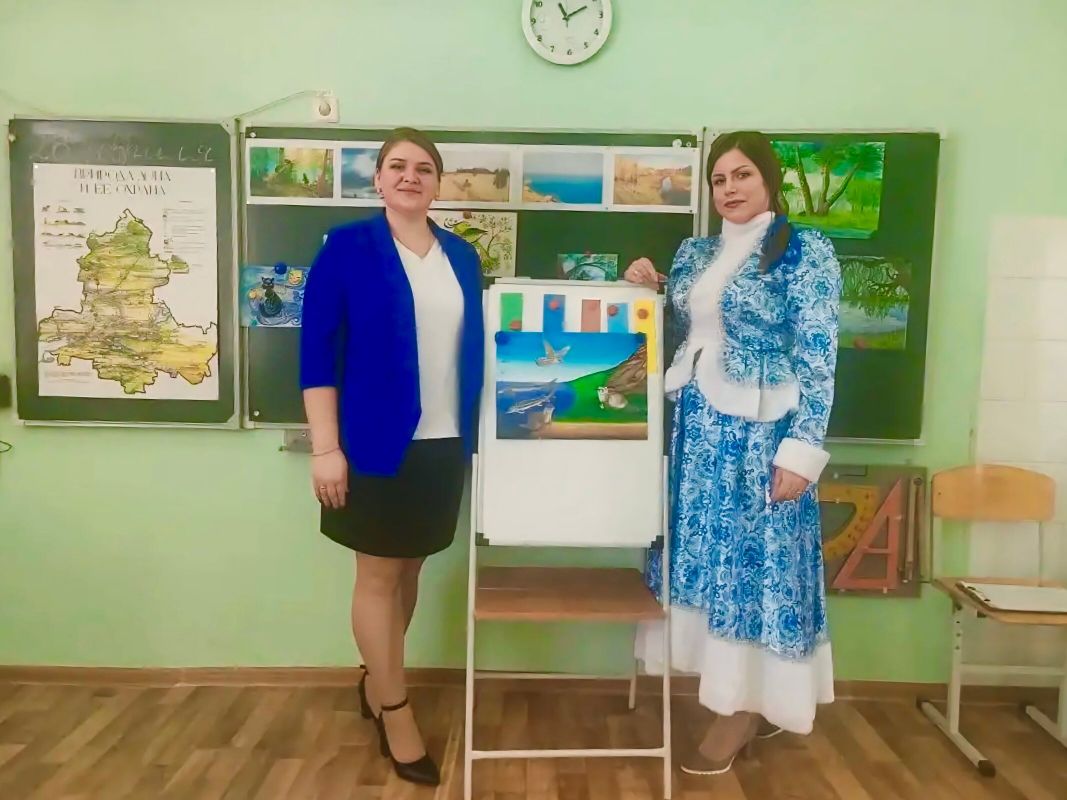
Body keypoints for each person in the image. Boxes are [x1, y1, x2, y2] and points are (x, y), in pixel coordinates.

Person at [625, 130, 841, 775]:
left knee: (757, 564)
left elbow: (819, 355)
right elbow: (687, 332)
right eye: (719, 179)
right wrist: (648, 288)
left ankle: (744, 709)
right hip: (697, 433)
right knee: (709, 562)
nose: (729, 189)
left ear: (769, 179)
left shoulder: (803, 250)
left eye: (742, 175)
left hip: (761, 437)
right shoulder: (695, 253)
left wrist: (802, 449)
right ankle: (739, 696)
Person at [299, 127, 484, 786]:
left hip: (444, 443)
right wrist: (326, 448)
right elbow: (316, 355)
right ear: (377, 179)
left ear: (438, 183)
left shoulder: (462, 256)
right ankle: (395, 711)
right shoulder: (346, 248)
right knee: (378, 576)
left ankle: (375, 679)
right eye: (397, 166)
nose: (411, 176)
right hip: (371, 445)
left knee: (409, 571)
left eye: (424, 168)